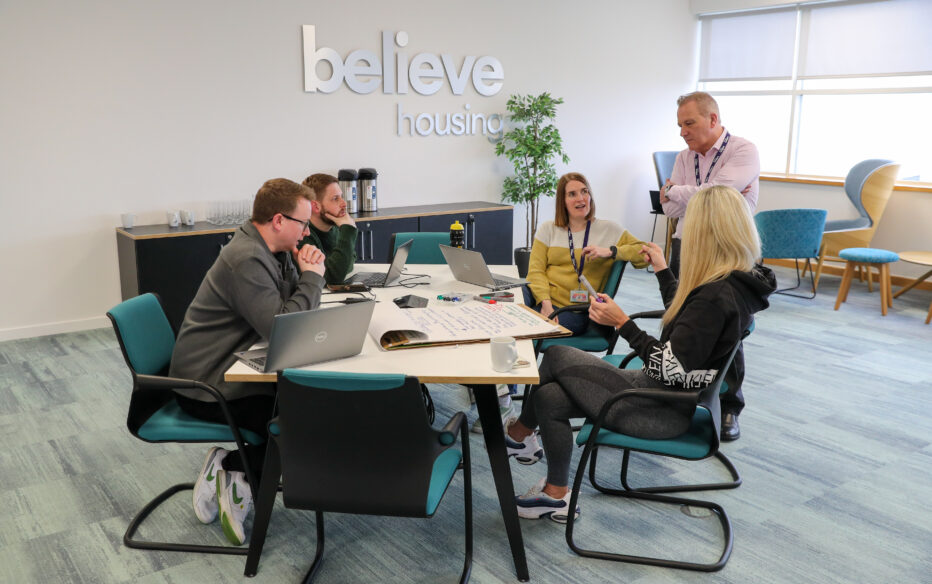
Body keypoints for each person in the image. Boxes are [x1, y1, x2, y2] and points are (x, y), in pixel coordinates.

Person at [504, 185, 776, 522]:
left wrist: (622, 323)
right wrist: (662, 271)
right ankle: (555, 493)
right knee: (550, 397)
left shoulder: (716, 296)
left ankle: (518, 434)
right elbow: (687, 321)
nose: (683, 236)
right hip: (664, 395)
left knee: (557, 355)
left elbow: (669, 368)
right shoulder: (734, 282)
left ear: (707, 234)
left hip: (660, 409)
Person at [169, 178, 326, 545]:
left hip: (231, 366)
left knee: (305, 406)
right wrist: (312, 279)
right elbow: (283, 328)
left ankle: (232, 469)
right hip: (204, 385)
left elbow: (290, 310)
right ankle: (233, 469)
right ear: (278, 220)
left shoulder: (274, 251)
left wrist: (306, 274)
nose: (307, 232)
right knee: (298, 420)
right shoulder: (246, 258)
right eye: (303, 223)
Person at [660, 92, 761, 439]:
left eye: (689, 123)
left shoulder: (743, 151)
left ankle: (729, 406)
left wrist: (677, 190)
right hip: (688, 246)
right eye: (680, 125)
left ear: (713, 119)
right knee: (680, 320)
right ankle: (678, 395)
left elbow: (715, 195)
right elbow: (670, 210)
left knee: (728, 329)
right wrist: (696, 193)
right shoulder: (683, 157)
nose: (682, 132)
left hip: (726, 248)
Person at [525, 172, 648, 336]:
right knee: (506, 303)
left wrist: (611, 251)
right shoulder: (548, 229)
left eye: (584, 191)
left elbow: (646, 255)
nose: (581, 199)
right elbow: (535, 271)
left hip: (575, 310)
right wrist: (545, 303)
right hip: (543, 299)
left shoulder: (610, 229)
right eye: (572, 194)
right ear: (562, 201)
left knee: (526, 326)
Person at [300, 173, 358, 284]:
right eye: (335, 199)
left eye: (341, 197)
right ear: (316, 206)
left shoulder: (334, 228)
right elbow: (331, 278)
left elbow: (352, 258)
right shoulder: (303, 235)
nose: (344, 204)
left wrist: (339, 265)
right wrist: (348, 230)